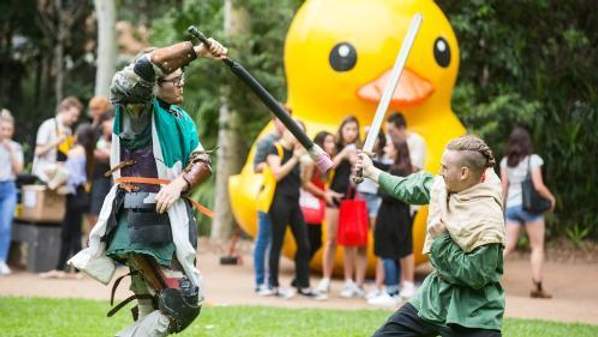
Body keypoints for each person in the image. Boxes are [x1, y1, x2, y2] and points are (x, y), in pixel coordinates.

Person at [68, 37, 228, 337]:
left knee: (152, 307)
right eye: (175, 78)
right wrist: (196, 51)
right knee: (182, 303)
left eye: (183, 78)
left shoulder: (181, 116)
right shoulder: (137, 110)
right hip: (141, 218)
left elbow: (202, 162)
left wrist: (181, 181)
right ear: (155, 83)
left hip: (168, 219)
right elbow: (144, 67)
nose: (182, 83)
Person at [357, 135, 505, 337]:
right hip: (433, 300)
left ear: (463, 173)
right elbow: (407, 187)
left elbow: (474, 276)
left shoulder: (487, 219)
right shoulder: (442, 188)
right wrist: (371, 171)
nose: (440, 172)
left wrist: (442, 239)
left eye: (445, 167)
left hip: (474, 313)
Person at [500, 126, 555, 299]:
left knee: (508, 246)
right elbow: (538, 186)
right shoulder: (534, 160)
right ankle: (537, 286)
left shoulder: (505, 162)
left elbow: (503, 188)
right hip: (530, 208)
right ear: (527, 142)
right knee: (537, 247)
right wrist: (551, 198)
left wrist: (500, 209)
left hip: (511, 207)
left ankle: (482, 275)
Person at [266, 120, 318, 298]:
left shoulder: (298, 153)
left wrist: (307, 166)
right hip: (279, 201)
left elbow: (303, 184)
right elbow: (277, 174)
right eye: (295, 132)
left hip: (295, 201)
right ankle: (273, 284)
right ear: (287, 131)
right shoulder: (276, 149)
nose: (297, 137)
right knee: (277, 243)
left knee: (304, 244)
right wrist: (295, 157)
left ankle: (303, 284)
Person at [40, 124, 96, 279]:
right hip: (80, 194)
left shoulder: (75, 152)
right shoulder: (88, 153)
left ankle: (69, 269)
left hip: (73, 194)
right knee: (73, 231)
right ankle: (67, 269)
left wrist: (58, 172)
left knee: (70, 232)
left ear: (78, 136)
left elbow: (69, 176)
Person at [317, 116, 364, 298]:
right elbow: (326, 169)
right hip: (334, 198)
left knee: (350, 242)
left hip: (351, 199)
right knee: (330, 239)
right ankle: (326, 279)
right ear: (341, 130)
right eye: (348, 129)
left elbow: (361, 176)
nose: (351, 133)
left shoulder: (360, 150)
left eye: (354, 129)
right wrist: (343, 154)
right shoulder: (334, 147)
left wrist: (355, 162)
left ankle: (349, 281)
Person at [368, 139, 415, 306]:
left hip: (390, 215)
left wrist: (380, 185)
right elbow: (381, 166)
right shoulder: (402, 168)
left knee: (387, 253)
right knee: (392, 252)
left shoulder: (397, 170)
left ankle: (391, 292)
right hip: (399, 215)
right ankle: (392, 290)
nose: (386, 148)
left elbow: (387, 191)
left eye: (389, 146)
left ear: (397, 150)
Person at [252, 109, 290, 295]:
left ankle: (271, 282)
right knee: (263, 239)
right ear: (275, 121)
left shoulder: (292, 142)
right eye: (281, 119)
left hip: (281, 200)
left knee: (276, 241)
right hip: (267, 197)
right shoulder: (267, 142)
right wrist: (272, 164)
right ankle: (260, 282)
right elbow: (256, 167)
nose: (285, 123)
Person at [300, 131, 337, 261]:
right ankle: (301, 269)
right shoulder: (311, 161)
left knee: (314, 240)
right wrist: (323, 194)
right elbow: (305, 183)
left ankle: (301, 268)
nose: (332, 145)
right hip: (308, 202)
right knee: (311, 240)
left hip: (316, 203)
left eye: (333, 142)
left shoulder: (327, 162)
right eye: (328, 141)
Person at [32, 96, 83, 184]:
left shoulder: (68, 130)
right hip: (42, 177)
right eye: (73, 115)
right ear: (64, 110)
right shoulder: (48, 125)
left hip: (57, 178)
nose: (75, 119)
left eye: (76, 116)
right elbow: (38, 151)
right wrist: (56, 142)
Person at [0, 109, 24, 276]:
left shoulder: (15, 147)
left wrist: (11, 152)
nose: (6, 133)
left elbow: (19, 170)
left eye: (9, 130)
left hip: (8, 187)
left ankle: (1, 259)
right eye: (3, 129)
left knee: (6, 226)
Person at [87, 113, 114, 233]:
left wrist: (108, 153)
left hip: (112, 176)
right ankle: (94, 236)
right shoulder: (96, 134)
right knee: (96, 209)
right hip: (98, 175)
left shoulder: (117, 136)